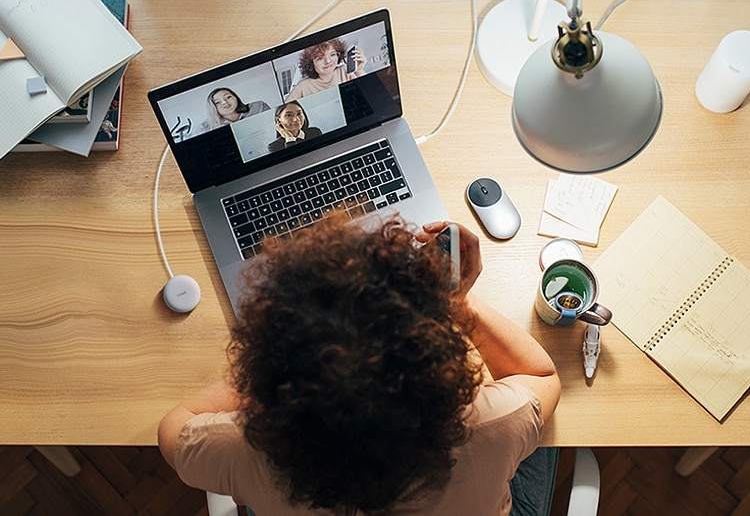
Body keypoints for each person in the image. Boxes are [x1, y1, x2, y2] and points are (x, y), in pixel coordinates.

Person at [158, 215, 561, 515]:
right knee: (547, 439)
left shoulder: (245, 450)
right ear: (440, 373)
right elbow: (541, 375)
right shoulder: (492, 425)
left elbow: (174, 427)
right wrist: (456, 302)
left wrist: (268, 371)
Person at [286, 37, 366, 101]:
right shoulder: (302, 86)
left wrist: (359, 71)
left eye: (332, 54)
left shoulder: (346, 71)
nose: (328, 61)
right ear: (310, 64)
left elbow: (370, 93)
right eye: (320, 58)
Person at [200, 87, 270, 133]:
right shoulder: (205, 128)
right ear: (212, 108)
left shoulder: (258, 107)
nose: (225, 102)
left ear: (236, 97)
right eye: (217, 102)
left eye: (228, 97)